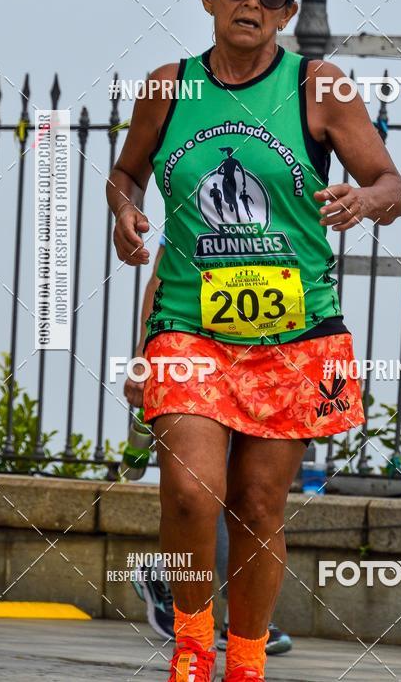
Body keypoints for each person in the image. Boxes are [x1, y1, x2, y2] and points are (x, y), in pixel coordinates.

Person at [108, 0, 401, 682]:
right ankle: (189, 646)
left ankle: (244, 663)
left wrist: (361, 199)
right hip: (189, 325)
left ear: (287, 11)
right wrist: (124, 211)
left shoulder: (321, 87)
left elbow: (393, 187)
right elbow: (125, 175)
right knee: (189, 490)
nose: (253, 2)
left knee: (259, 503)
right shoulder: (167, 87)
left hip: (296, 331)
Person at [127, 234, 293, 656]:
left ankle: (243, 618)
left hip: (275, 353)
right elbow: (161, 276)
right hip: (195, 347)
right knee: (197, 487)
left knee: (255, 497)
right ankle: (201, 626)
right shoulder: (198, 181)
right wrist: (145, 354)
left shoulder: (299, 189)